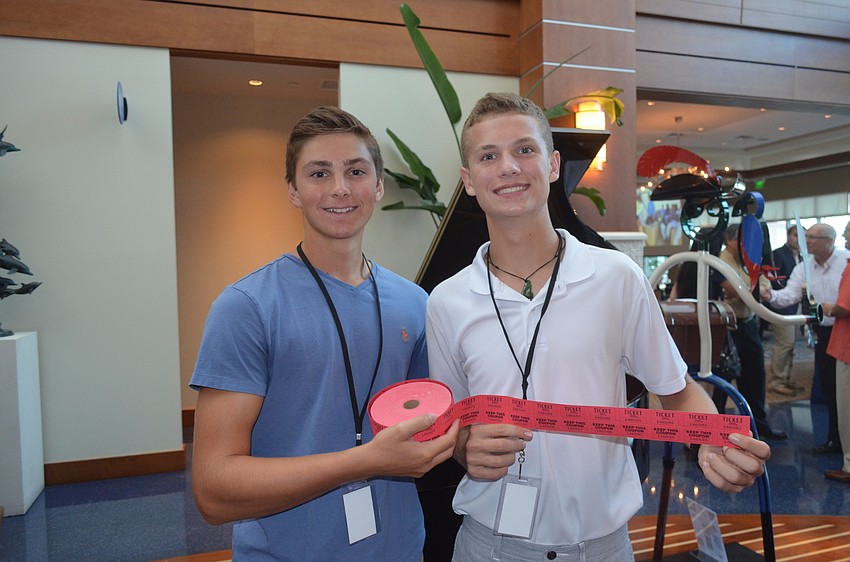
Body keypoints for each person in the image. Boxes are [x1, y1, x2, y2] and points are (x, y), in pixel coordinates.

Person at [425, 92, 770, 561]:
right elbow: (454, 424)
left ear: (552, 165)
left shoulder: (616, 278)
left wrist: (713, 437)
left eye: (524, 149)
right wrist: (466, 446)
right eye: (489, 156)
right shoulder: (446, 301)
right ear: (469, 180)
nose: (508, 167)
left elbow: (676, 389)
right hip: (488, 545)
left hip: (601, 547)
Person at [189, 106, 459, 561]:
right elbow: (214, 492)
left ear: (377, 186)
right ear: (293, 190)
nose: (339, 188)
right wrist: (365, 460)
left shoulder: (416, 303)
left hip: (401, 550)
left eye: (355, 171)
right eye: (318, 173)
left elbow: (426, 433)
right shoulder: (247, 307)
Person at [762, 223, 850, 455]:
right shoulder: (804, 267)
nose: (807, 241)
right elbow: (788, 296)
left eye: (812, 237)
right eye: (806, 236)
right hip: (824, 333)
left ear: (829, 241)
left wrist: (834, 309)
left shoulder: (845, 261)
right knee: (831, 387)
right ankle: (837, 440)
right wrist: (770, 295)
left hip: (846, 328)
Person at [715, 223, 787, 440]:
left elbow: (764, 285)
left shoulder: (750, 261)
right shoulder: (718, 262)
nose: (746, 245)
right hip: (727, 328)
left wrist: (753, 289)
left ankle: (759, 425)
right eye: (741, 240)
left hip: (749, 324)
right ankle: (715, 430)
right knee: (723, 379)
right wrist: (753, 289)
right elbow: (733, 290)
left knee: (755, 376)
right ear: (730, 240)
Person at [821, 223, 850, 482]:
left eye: (848, 231)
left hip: (847, 346)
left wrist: (828, 307)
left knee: (846, 407)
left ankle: (849, 465)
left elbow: (844, 307)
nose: (844, 236)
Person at [766, 226, 804, 395]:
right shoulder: (779, 254)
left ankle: (785, 378)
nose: (799, 239)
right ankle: (776, 381)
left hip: (797, 306)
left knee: (791, 345)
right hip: (781, 306)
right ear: (788, 236)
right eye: (796, 235)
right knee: (785, 344)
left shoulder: (802, 256)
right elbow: (774, 282)